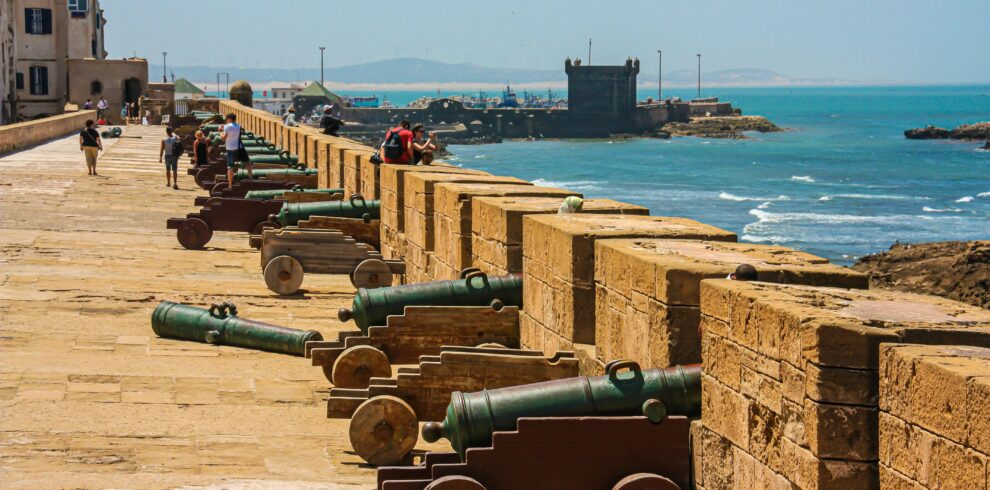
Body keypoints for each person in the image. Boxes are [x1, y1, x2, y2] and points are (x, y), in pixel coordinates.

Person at [220, 113, 250, 187]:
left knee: (230, 167)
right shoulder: (238, 126)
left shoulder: (227, 126)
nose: (226, 121)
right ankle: (251, 177)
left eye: (226, 119)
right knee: (247, 162)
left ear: (229, 118)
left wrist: (220, 131)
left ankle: (230, 185)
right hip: (238, 148)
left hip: (230, 149)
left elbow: (224, 138)